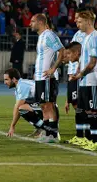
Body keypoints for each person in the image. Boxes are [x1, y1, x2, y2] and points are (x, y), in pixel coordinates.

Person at [70, 10, 97, 151]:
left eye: (80, 21)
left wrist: (80, 75)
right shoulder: (86, 38)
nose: (77, 23)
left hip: (91, 80)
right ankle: (91, 140)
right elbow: (83, 61)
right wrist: (78, 72)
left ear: (88, 21)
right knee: (88, 112)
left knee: (95, 111)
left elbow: (92, 63)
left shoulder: (96, 38)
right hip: (85, 81)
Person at [30, 13, 64, 143]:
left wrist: (53, 69)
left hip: (48, 78)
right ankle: (47, 132)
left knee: (49, 105)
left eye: (32, 21)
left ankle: (53, 134)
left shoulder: (49, 35)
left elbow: (61, 51)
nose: (30, 24)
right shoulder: (42, 37)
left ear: (40, 22)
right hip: (40, 77)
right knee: (43, 106)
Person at [4, 68, 56, 139]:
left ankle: (46, 129)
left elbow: (17, 107)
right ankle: (40, 128)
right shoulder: (20, 85)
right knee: (22, 108)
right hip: (43, 105)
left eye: (6, 79)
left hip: (48, 108)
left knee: (22, 109)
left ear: (14, 79)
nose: (4, 82)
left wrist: (12, 126)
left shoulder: (21, 86)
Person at [64, 12, 89, 145]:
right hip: (73, 74)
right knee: (76, 105)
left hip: (80, 75)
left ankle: (86, 135)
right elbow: (72, 53)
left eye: (78, 20)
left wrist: (79, 72)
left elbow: (82, 56)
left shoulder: (89, 36)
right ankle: (80, 135)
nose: (76, 21)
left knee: (83, 106)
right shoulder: (77, 34)